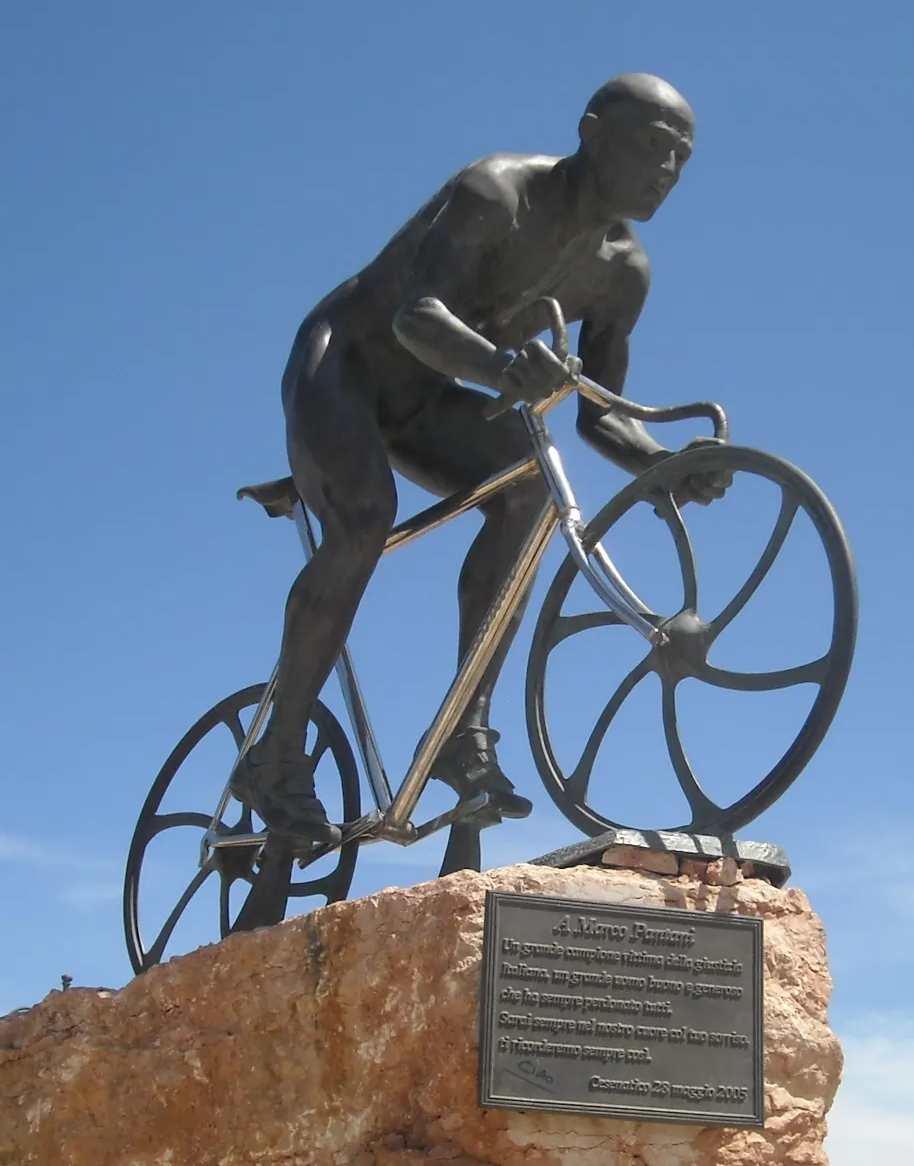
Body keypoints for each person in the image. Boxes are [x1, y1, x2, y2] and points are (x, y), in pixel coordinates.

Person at [238, 73, 718, 854]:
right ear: (592, 131)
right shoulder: (498, 192)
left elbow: (601, 415)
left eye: (682, 160)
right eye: (653, 148)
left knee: (529, 486)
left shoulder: (623, 274)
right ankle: (276, 752)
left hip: (428, 400)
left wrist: (666, 462)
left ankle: (468, 729)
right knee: (364, 520)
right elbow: (414, 313)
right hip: (348, 365)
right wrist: (501, 368)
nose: (667, 171)